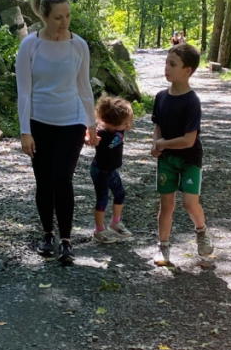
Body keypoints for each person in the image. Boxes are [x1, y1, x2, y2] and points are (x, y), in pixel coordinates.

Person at [16, 0, 98, 266]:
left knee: (62, 177)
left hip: (71, 121)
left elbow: (84, 87)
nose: (64, 22)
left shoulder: (79, 45)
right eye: (58, 18)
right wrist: (25, 131)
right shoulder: (30, 45)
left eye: (68, 16)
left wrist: (91, 124)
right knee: (44, 179)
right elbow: (24, 91)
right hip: (39, 121)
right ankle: (47, 234)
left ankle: (65, 240)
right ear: (44, 16)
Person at [150, 42, 212, 265]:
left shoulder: (192, 101)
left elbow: (189, 140)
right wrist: (156, 143)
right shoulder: (160, 97)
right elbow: (158, 125)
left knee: (189, 203)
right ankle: (163, 247)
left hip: (189, 159)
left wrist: (162, 144)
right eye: (166, 63)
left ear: (187, 71)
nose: (166, 68)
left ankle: (201, 231)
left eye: (173, 64)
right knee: (166, 205)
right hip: (166, 159)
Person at [89, 95, 135, 245]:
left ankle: (115, 223)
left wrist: (127, 119)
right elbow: (88, 135)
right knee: (102, 199)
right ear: (114, 124)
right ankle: (99, 230)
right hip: (100, 170)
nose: (128, 125)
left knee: (120, 194)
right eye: (125, 123)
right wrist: (89, 139)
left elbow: (128, 122)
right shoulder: (102, 132)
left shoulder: (120, 128)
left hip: (111, 169)